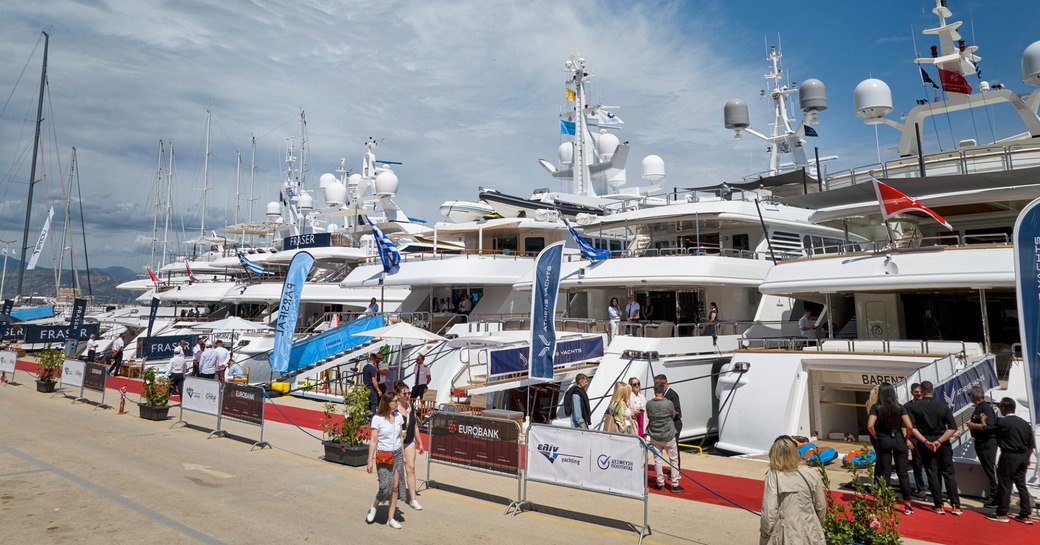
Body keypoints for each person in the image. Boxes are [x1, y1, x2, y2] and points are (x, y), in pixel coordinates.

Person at [906, 380, 962, 515]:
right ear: (933, 390)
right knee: (948, 473)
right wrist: (939, 441)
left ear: (922, 392)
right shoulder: (943, 407)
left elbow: (911, 428)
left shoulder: (913, 407)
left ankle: (939, 505)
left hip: (925, 442)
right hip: (943, 443)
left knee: (932, 473)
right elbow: (953, 428)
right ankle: (956, 505)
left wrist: (926, 441)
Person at [760, 436, 827, 545]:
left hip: (785, 533)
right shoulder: (811, 473)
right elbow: (821, 506)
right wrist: (818, 526)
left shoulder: (773, 476)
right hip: (811, 530)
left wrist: (765, 533)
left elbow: (769, 513)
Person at [867, 383, 915, 515]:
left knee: (885, 473)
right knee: (903, 473)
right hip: (899, 439)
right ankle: (907, 504)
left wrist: (877, 435)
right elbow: (909, 426)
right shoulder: (900, 407)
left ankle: (885, 503)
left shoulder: (876, 407)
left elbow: (870, 425)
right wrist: (906, 438)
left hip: (884, 439)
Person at [986, 397, 1035, 524]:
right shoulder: (1025, 424)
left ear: (1004, 408)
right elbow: (1031, 445)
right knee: (1021, 485)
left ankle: (1002, 513)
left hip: (1009, 456)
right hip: (1023, 456)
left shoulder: (1003, 422)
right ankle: (1026, 513)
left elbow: (987, 429)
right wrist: (1028, 458)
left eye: (1000, 407)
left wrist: (982, 420)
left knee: (1005, 484)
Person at [366, 392, 405, 529]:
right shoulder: (377, 419)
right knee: (385, 487)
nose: (397, 403)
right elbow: (373, 441)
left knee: (395, 487)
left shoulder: (398, 416)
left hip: (397, 454)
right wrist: (369, 460)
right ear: (387, 402)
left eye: (397, 400)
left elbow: (400, 436)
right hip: (383, 455)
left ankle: (391, 518)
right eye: (395, 401)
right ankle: (374, 507)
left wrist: (403, 454)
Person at [965, 385, 999, 506]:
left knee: (990, 469)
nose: (969, 397)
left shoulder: (985, 408)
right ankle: (994, 495)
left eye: (969, 395)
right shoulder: (979, 407)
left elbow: (989, 427)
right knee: (987, 469)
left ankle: (996, 497)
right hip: (980, 443)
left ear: (974, 396)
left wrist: (972, 425)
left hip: (987, 443)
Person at [646, 382, 683, 492]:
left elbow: (649, 416)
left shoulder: (649, 404)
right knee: (674, 460)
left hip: (655, 436)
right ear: (663, 391)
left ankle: (660, 483)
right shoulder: (669, 404)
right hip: (668, 436)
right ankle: (675, 484)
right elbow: (672, 415)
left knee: (657, 460)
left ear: (654, 391)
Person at [395, 382, 424, 511]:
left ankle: (413, 499)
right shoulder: (394, 410)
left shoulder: (411, 407)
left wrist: (420, 443)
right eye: (404, 394)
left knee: (410, 468)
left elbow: (415, 426)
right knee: (397, 470)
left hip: (409, 441)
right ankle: (393, 492)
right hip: (396, 443)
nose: (407, 396)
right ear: (398, 395)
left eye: (408, 393)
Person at [904, 383, 927, 497]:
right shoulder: (907, 406)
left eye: (920, 391)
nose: (918, 394)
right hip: (915, 440)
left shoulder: (928, 404)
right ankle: (920, 487)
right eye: (916, 392)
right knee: (917, 464)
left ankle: (933, 486)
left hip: (928, 438)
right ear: (912, 392)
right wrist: (907, 439)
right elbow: (906, 425)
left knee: (931, 464)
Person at [655, 374, 683, 465]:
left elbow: (677, 411)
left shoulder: (672, 394)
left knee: (674, 448)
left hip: (675, 424)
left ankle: (676, 469)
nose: (656, 386)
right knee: (668, 448)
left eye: (656, 383)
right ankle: (672, 467)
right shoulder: (663, 394)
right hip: (667, 424)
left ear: (663, 383)